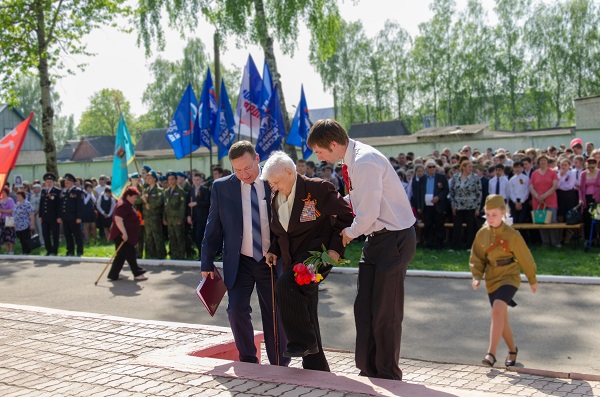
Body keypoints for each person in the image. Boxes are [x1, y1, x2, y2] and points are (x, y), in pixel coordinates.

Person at [307, 120, 416, 381]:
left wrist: (347, 233)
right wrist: (326, 209)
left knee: (385, 311)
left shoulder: (365, 161)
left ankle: (387, 374)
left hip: (394, 238)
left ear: (333, 144)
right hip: (377, 238)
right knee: (364, 307)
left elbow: (367, 214)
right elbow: (357, 200)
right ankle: (368, 367)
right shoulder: (351, 160)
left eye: (320, 151)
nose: (318, 157)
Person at [262, 151, 353, 372]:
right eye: (270, 183)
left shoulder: (318, 188)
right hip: (292, 259)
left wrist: (335, 248)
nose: (273, 187)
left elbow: (346, 215)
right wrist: (274, 249)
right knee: (305, 308)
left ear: (289, 171)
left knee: (285, 285)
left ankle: (302, 342)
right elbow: (281, 231)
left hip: (317, 256)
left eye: (275, 181)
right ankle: (316, 366)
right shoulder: (277, 196)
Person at [201, 141, 289, 366]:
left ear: (257, 158)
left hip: (270, 260)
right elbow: (213, 227)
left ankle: (280, 362)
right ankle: (248, 359)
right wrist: (206, 262)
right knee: (236, 309)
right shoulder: (222, 188)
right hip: (239, 261)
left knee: (275, 312)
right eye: (237, 170)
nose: (243, 174)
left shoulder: (274, 182)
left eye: (247, 168)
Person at [471, 194, 538, 368]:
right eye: (488, 214)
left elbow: (525, 257)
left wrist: (532, 278)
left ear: (503, 213)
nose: (491, 218)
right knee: (501, 317)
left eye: (495, 214)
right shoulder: (482, 234)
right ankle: (512, 350)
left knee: (497, 310)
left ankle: (491, 354)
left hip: (509, 276)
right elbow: (477, 257)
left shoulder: (512, 234)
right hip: (492, 278)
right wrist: (477, 276)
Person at [107, 187, 148, 281]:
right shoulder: (123, 205)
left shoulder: (127, 204)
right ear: (128, 196)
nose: (135, 199)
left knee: (121, 255)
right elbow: (118, 219)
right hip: (122, 235)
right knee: (131, 253)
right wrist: (124, 233)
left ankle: (113, 274)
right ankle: (137, 273)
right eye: (134, 197)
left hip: (124, 234)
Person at [416, 160, 448, 249]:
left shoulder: (441, 177)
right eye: (429, 167)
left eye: (433, 166)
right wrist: (419, 206)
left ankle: (439, 244)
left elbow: (446, 190)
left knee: (439, 225)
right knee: (428, 225)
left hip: (437, 205)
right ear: (426, 168)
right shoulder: (422, 179)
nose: (432, 168)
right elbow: (419, 193)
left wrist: (438, 197)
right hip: (426, 206)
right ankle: (429, 244)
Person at [450, 160, 482, 249]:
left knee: (470, 227)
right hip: (458, 206)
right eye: (469, 167)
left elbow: (479, 193)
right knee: (457, 226)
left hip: (471, 206)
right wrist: (453, 205)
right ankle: (455, 246)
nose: (471, 169)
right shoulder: (456, 177)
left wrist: (477, 208)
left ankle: (470, 246)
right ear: (463, 167)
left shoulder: (475, 178)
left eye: (472, 167)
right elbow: (452, 192)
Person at [529, 155, 560, 246]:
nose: (543, 162)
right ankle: (545, 242)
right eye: (541, 160)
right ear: (538, 163)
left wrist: (544, 196)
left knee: (552, 221)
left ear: (547, 162)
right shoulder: (534, 173)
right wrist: (538, 197)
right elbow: (531, 187)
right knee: (541, 222)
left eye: (545, 160)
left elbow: (554, 186)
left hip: (550, 199)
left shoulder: (552, 172)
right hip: (537, 201)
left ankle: (555, 242)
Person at [58, 173, 84, 257]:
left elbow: (80, 205)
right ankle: (70, 250)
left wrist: (79, 217)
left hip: (74, 217)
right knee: (67, 235)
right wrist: (61, 216)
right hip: (66, 218)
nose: (66, 184)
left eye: (68, 182)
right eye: (65, 183)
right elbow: (62, 205)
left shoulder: (77, 191)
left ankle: (79, 251)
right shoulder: (65, 191)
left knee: (77, 235)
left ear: (72, 182)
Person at [142, 171, 166, 260]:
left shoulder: (159, 190)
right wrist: (143, 199)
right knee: (148, 237)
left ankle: (160, 255)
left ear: (155, 179)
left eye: (150, 178)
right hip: (147, 217)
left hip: (155, 217)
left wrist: (150, 206)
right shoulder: (146, 190)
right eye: (147, 178)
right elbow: (141, 203)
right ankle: (151, 254)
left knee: (157, 236)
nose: (148, 179)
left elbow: (160, 202)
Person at [163, 172, 187, 259]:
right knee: (172, 237)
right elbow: (165, 206)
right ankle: (174, 254)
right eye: (169, 179)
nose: (170, 181)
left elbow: (182, 206)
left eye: (172, 179)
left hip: (177, 218)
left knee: (179, 237)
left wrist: (180, 218)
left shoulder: (180, 191)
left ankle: (181, 255)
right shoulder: (166, 192)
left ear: (176, 180)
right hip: (169, 219)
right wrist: (164, 218)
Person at [187, 173, 210, 260]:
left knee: (201, 236)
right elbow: (188, 204)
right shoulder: (191, 190)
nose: (196, 181)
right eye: (194, 180)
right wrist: (189, 215)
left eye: (197, 179)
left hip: (203, 217)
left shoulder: (205, 190)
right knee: (196, 237)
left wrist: (196, 203)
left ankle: (204, 255)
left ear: (201, 180)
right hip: (194, 217)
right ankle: (200, 254)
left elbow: (207, 202)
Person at [39, 173, 61, 256]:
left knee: (55, 234)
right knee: (45, 234)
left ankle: (54, 250)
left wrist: (59, 216)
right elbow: (41, 204)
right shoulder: (43, 191)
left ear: (53, 182)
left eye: (50, 182)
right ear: (45, 182)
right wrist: (40, 215)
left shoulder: (57, 191)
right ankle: (48, 250)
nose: (49, 183)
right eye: (47, 182)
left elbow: (59, 205)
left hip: (54, 217)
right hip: (45, 217)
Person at [578, 157, 600, 240]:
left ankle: (596, 239)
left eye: (593, 166)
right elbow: (580, 188)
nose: (591, 168)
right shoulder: (583, 174)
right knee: (587, 219)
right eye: (589, 166)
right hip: (586, 198)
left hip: (597, 199)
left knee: (596, 219)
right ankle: (588, 239)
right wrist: (581, 199)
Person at [0, 187, 16, 254]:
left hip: (9, 219)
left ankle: (11, 250)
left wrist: (2, 211)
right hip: (2, 220)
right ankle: (6, 250)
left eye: (4, 192)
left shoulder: (10, 200)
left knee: (10, 234)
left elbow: (12, 210)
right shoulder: (0, 200)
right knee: (4, 235)